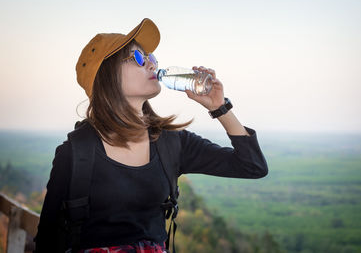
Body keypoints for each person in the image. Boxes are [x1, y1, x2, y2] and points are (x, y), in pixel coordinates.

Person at [33, 18, 268, 253]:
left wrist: (219, 107)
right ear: (107, 75)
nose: (151, 64)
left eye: (151, 58)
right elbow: (46, 240)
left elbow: (252, 166)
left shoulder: (171, 143)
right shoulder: (75, 152)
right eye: (137, 57)